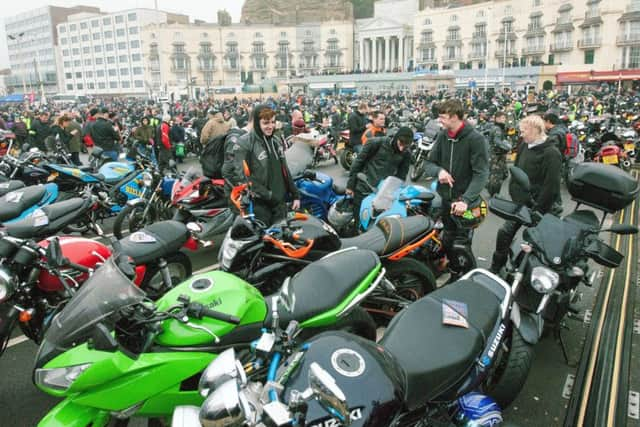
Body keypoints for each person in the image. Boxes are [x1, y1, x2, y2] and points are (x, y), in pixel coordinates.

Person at [423, 99, 489, 281]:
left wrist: (466, 200)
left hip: (467, 205)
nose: (440, 121)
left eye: (443, 117)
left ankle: (467, 276)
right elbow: (428, 163)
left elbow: (481, 174)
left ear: (454, 117)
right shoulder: (443, 136)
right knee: (447, 241)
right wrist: (439, 171)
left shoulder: (476, 139)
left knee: (462, 245)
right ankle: (453, 270)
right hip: (446, 200)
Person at [490, 114, 562, 274]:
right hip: (522, 204)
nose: (520, 135)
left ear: (536, 130)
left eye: (524, 131)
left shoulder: (551, 153)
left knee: (540, 244)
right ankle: (496, 266)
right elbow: (516, 171)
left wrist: (538, 210)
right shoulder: (524, 145)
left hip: (542, 207)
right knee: (504, 233)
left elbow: (551, 187)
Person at [230, 105, 300, 225]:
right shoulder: (244, 143)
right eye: (266, 123)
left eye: (273, 122)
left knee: (281, 237)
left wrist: (295, 195)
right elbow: (242, 177)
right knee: (265, 240)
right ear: (257, 123)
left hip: (280, 202)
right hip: (259, 204)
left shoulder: (276, 141)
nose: (270, 126)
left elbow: (285, 169)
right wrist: (268, 195)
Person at [345, 127, 413, 230]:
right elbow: (358, 163)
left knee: (377, 224)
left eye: (405, 146)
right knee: (360, 221)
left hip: (383, 193)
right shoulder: (375, 143)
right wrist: (350, 186)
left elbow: (401, 175)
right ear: (396, 137)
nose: (401, 148)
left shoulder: (406, 153)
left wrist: (394, 192)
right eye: (401, 144)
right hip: (364, 188)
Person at [486, 111, 510, 197]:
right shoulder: (497, 129)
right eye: (502, 118)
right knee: (496, 175)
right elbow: (497, 141)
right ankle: (494, 193)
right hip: (497, 155)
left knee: (499, 174)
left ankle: (492, 191)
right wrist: (507, 147)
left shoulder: (497, 127)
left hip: (496, 154)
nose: (504, 120)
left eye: (504, 118)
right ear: (497, 118)